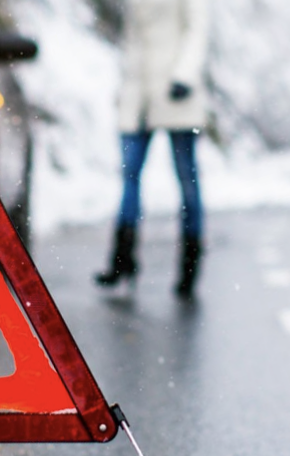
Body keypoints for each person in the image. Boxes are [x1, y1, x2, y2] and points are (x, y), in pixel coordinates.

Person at [94, 0, 209, 298]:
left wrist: (184, 75)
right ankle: (122, 259)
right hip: (138, 97)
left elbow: (196, 30)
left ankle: (190, 263)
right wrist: (125, 88)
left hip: (177, 92)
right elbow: (133, 41)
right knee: (129, 175)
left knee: (187, 179)